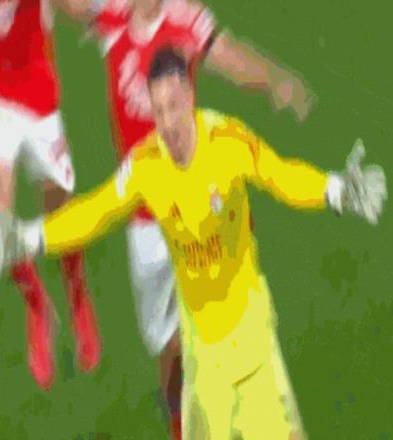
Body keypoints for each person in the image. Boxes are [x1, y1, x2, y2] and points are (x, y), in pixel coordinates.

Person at [0, 48, 386, 439]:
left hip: (252, 345)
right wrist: (27, 237)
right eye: (158, 111)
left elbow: (281, 176)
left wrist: (336, 190)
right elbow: (95, 211)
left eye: (173, 107)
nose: (167, 123)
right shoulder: (146, 165)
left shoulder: (227, 141)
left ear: (189, 96)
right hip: (203, 358)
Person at [74, 0, 318, 435]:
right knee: (166, 347)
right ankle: (180, 422)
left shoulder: (184, 18)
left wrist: (274, 81)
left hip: (198, 203)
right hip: (145, 217)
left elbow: (228, 53)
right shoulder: (111, 14)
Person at [0, 0, 102, 390]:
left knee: (61, 214)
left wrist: (99, 13)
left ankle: (77, 294)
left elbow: (76, 7)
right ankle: (38, 306)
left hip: (38, 100)